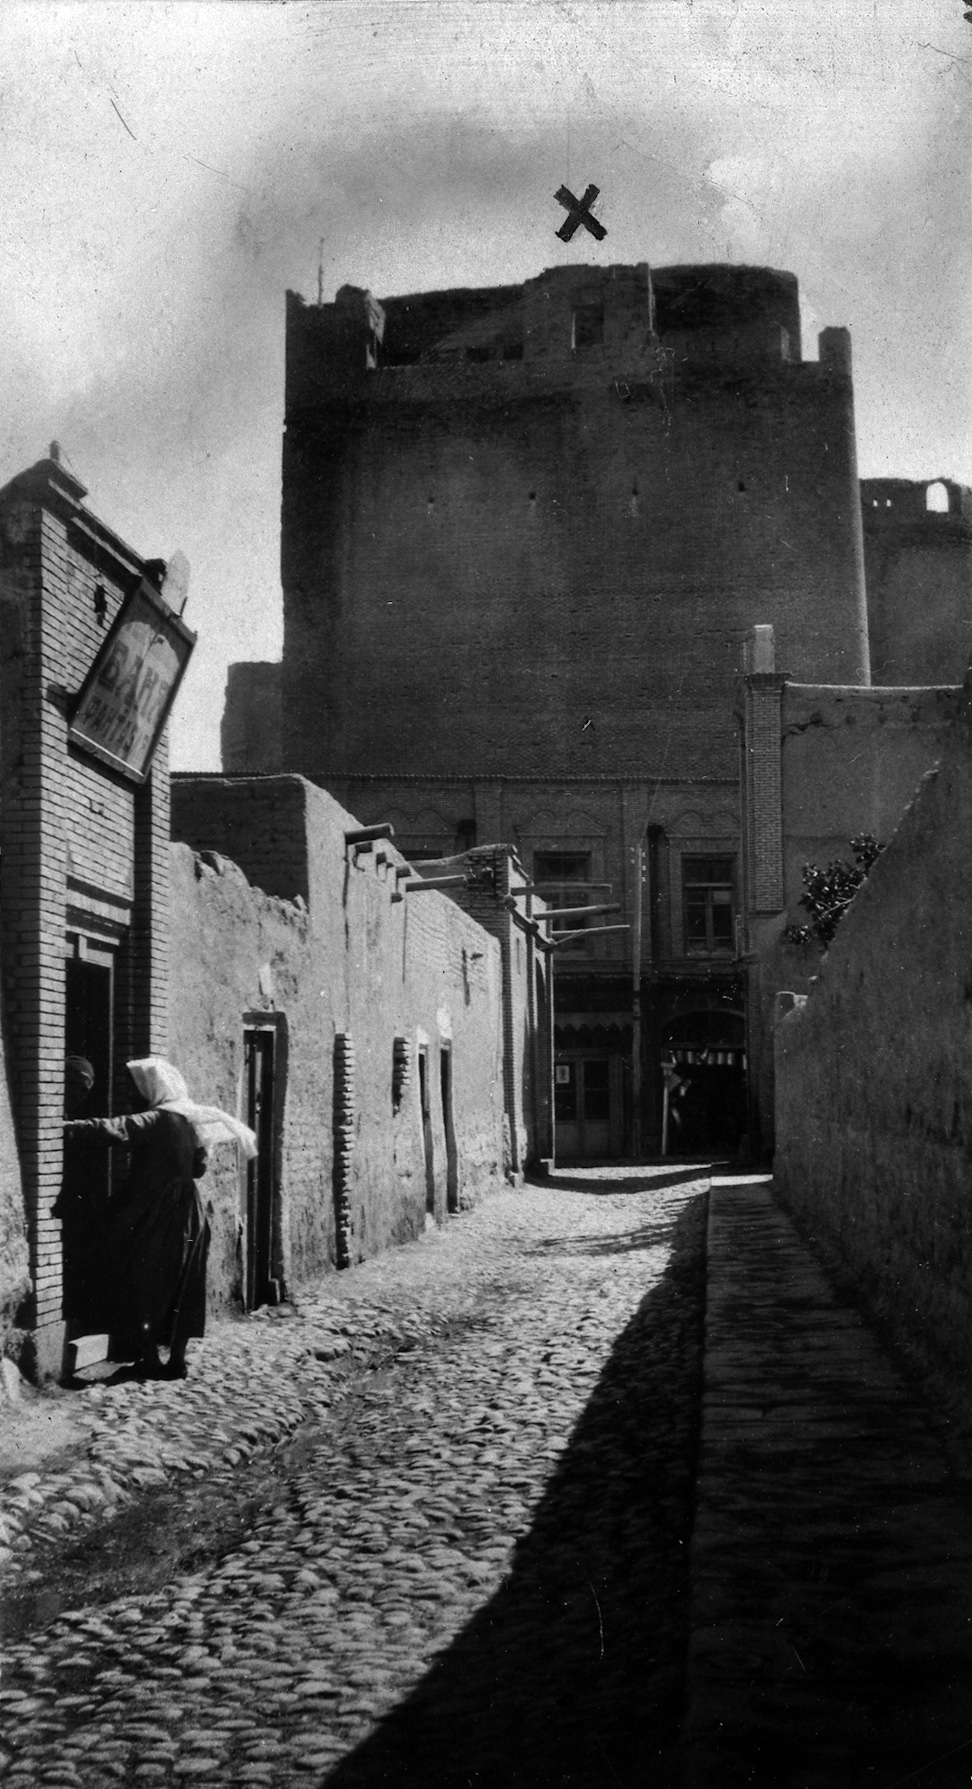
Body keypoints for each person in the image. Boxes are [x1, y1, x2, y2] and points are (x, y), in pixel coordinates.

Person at [63, 1056, 256, 1381]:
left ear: (148, 1089)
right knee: (184, 1285)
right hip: (189, 1213)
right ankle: (177, 1360)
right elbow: (198, 1169)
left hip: (156, 1212)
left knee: (141, 1280)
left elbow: (114, 1129)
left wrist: (64, 1127)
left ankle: (150, 1360)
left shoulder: (156, 1119)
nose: (129, 1096)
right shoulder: (189, 1121)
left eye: (132, 1089)